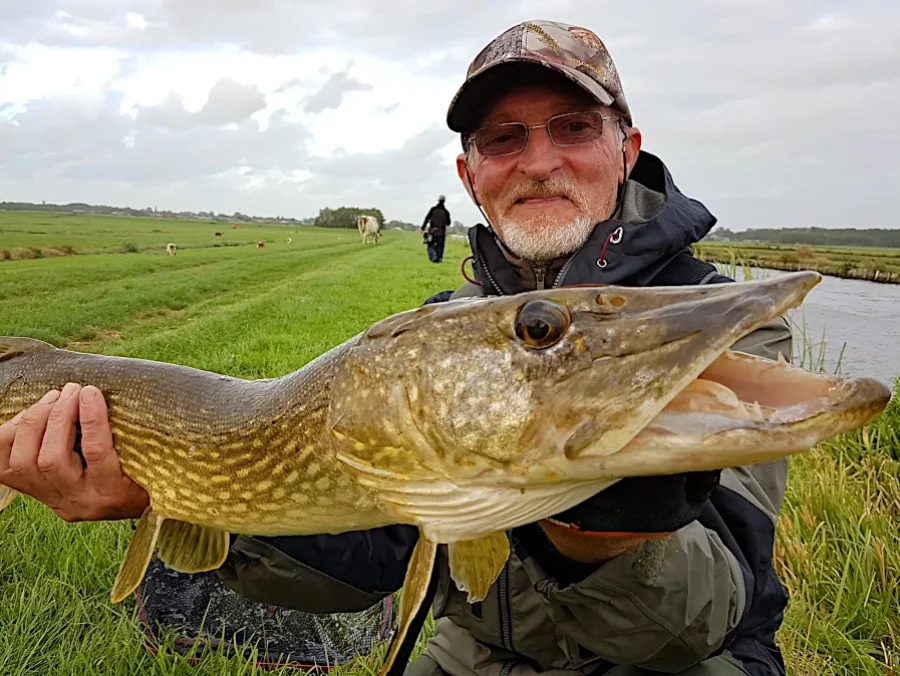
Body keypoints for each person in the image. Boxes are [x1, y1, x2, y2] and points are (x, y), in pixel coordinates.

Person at [0, 20, 794, 676]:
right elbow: (368, 561)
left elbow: (700, 622)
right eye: (504, 138)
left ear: (627, 147)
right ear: (470, 172)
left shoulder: (713, 323)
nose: (540, 161)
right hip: (478, 652)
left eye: (574, 128)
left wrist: (610, 518)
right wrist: (164, 495)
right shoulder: (440, 330)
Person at [422, 195, 451, 263]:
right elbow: (448, 223)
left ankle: (433, 256)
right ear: (444, 201)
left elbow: (427, 218)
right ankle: (439, 258)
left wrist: (423, 227)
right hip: (441, 232)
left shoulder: (433, 209)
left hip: (432, 231)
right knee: (440, 246)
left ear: (438, 200)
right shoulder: (446, 212)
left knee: (430, 245)